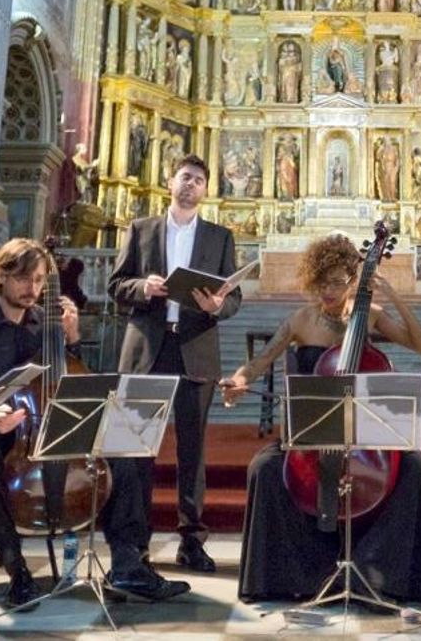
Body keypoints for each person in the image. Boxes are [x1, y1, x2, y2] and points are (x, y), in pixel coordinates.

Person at [221, 235, 421, 604]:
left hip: (366, 435)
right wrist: (239, 380)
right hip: (312, 434)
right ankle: (296, 576)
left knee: (416, 467)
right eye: (322, 281)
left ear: (352, 280)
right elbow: (261, 361)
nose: (329, 290)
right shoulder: (301, 320)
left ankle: (382, 574)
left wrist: (395, 298)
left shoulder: (368, 314)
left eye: (338, 282)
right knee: (263, 468)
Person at [0, 238, 153, 606]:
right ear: (0, 275)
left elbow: (71, 382)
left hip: (40, 429)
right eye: (23, 279)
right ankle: (15, 567)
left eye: (38, 280)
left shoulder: (44, 322)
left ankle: (129, 565)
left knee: (123, 456)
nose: (32, 289)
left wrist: (73, 338)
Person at [107, 154, 242, 574]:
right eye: (185, 177)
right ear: (170, 182)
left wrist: (218, 304)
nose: (191, 185)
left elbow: (234, 296)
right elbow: (115, 285)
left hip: (195, 348)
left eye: (199, 180)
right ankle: (134, 544)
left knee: (192, 450)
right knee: (136, 450)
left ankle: (191, 541)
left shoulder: (220, 237)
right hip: (149, 347)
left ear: (206, 189)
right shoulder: (141, 229)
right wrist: (142, 287)